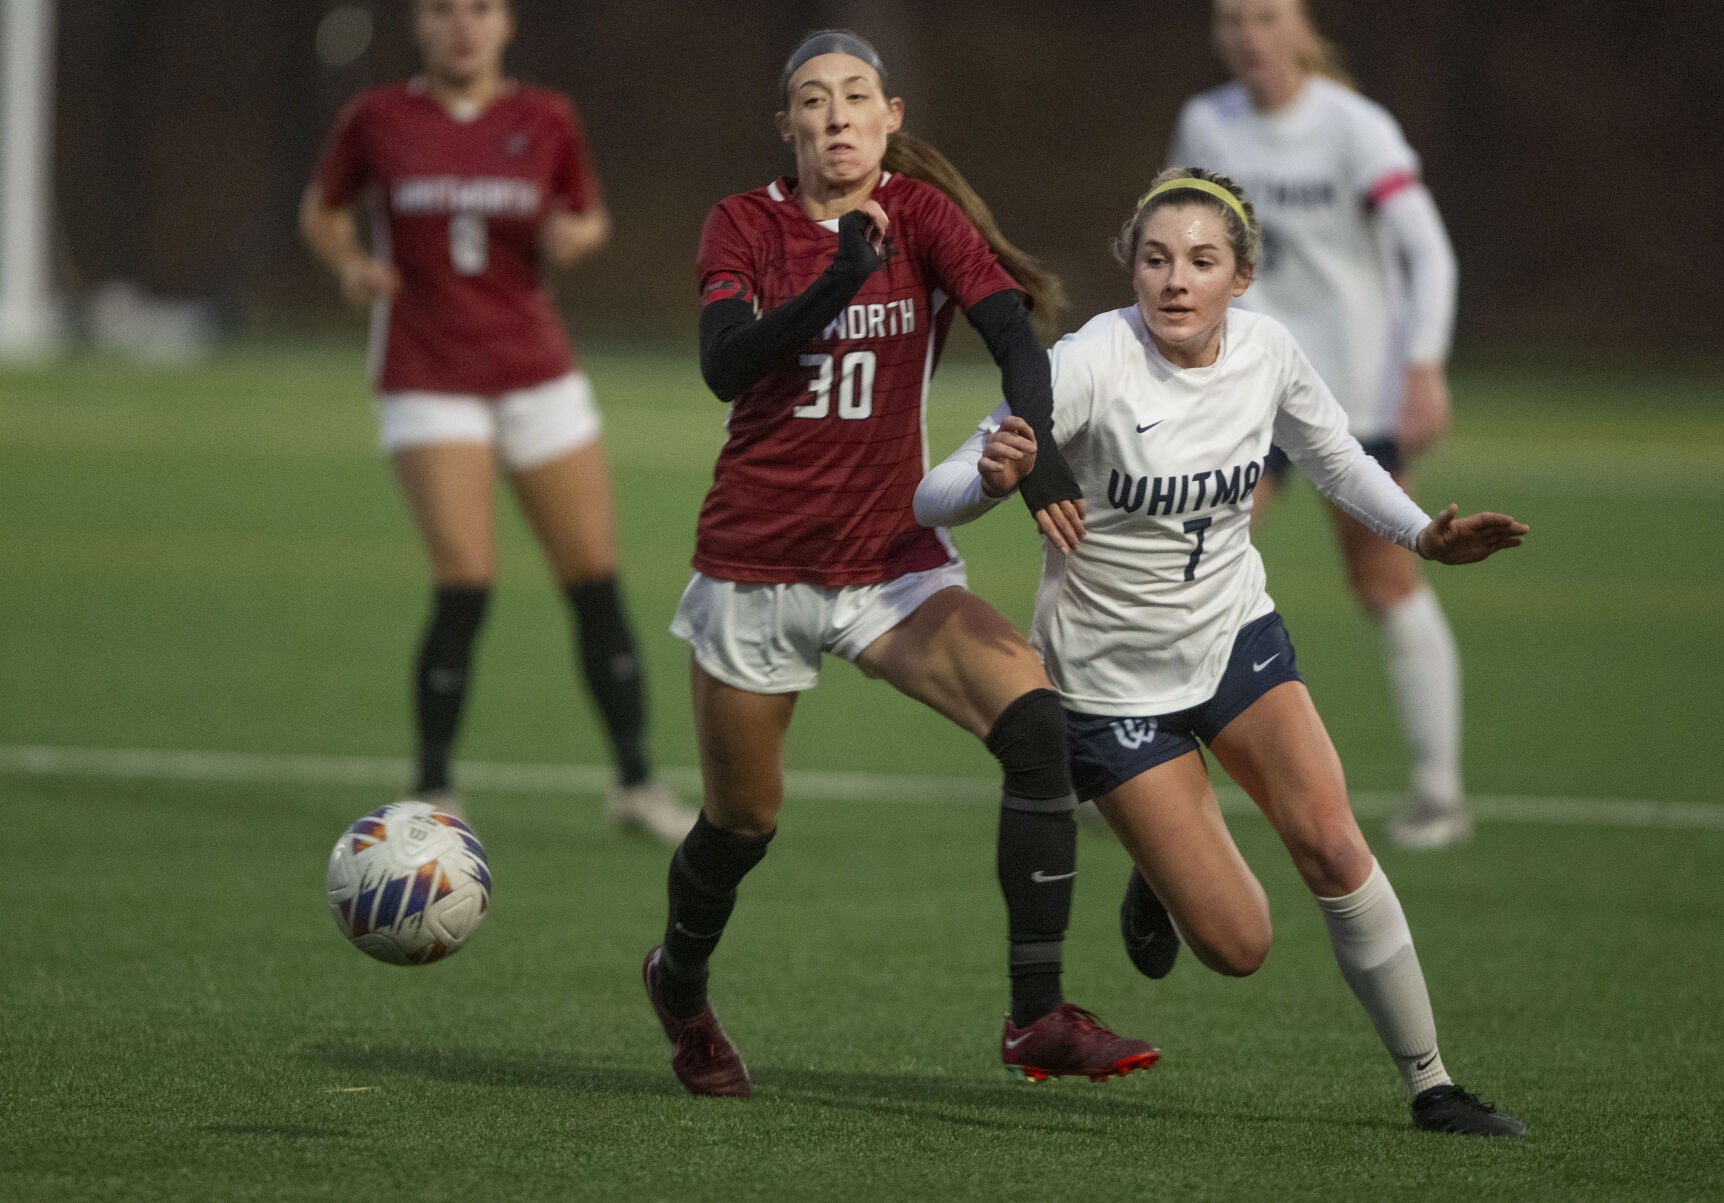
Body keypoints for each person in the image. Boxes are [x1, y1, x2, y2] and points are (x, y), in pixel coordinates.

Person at [915, 169, 1527, 1136]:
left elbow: (1333, 456)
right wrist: (990, 478)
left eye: (1202, 261)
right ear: (1131, 267)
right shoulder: (1091, 362)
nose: (1176, 280)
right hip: (1110, 686)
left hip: (1236, 634)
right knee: (1240, 946)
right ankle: (1162, 865)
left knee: (1332, 842)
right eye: (1156, 259)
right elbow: (933, 490)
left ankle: (1433, 1082)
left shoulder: (1269, 350)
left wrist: (1421, 536)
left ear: (1242, 276)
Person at [641, 29, 1157, 1099]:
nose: (835, 115)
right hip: (756, 567)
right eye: (813, 100)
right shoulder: (743, 224)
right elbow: (724, 368)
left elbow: (1014, 336)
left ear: (891, 118)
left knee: (1035, 734)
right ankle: (679, 987)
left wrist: (1046, 452)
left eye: (855, 97)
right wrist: (839, 277)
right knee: (742, 826)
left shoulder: (922, 215)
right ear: (784, 126)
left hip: (890, 564)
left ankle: (1034, 1017)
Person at [299, 0, 693, 842]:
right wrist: (351, 265)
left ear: (506, 23)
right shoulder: (376, 117)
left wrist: (576, 238)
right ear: (420, 25)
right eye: (443, 11)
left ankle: (635, 783)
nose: (462, 26)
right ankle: (436, 787)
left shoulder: (546, 117)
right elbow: (322, 210)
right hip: (427, 371)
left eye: (478, 9)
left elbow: (587, 215)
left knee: (593, 578)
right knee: (465, 578)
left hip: (535, 370)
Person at [1166, 0, 1469, 848]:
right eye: (1230, 20)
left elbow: (1427, 249)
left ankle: (1439, 792)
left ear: (1301, 29)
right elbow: (1175, 237)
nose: (1247, 36)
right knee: (1181, 562)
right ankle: (1136, 769)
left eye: (1265, 17)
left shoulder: (1354, 127)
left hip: (1349, 389)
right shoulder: (1206, 122)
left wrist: (1423, 362)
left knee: (1385, 578)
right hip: (1238, 384)